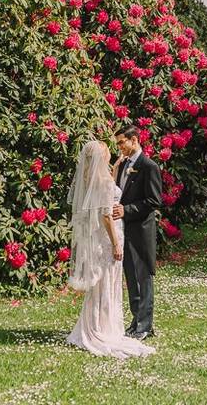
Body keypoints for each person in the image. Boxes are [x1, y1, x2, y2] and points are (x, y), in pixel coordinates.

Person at [65, 139, 155, 359]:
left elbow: (106, 192)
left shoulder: (91, 179)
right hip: (110, 237)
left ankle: (94, 323)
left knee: (102, 282)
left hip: (99, 239)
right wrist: (115, 243)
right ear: (101, 157)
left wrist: (114, 169)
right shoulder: (103, 181)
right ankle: (104, 328)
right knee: (109, 282)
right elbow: (106, 214)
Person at [111, 126, 162, 340]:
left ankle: (144, 326)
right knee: (132, 279)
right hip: (125, 231)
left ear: (134, 140)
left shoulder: (149, 166)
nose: (119, 147)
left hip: (141, 231)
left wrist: (127, 210)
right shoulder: (123, 165)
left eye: (122, 142)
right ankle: (136, 322)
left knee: (143, 278)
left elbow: (154, 201)